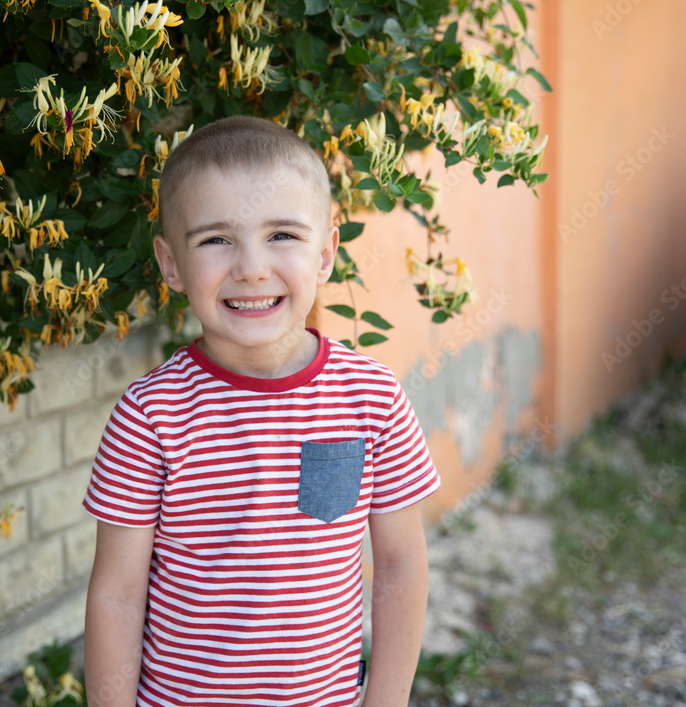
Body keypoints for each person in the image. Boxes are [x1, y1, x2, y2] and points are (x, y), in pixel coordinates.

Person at [83, 115, 440, 707]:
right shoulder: (149, 417)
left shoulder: (372, 399)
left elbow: (402, 564)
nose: (251, 267)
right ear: (171, 264)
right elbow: (117, 595)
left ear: (325, 254)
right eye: (215, 240)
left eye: (282, 235)